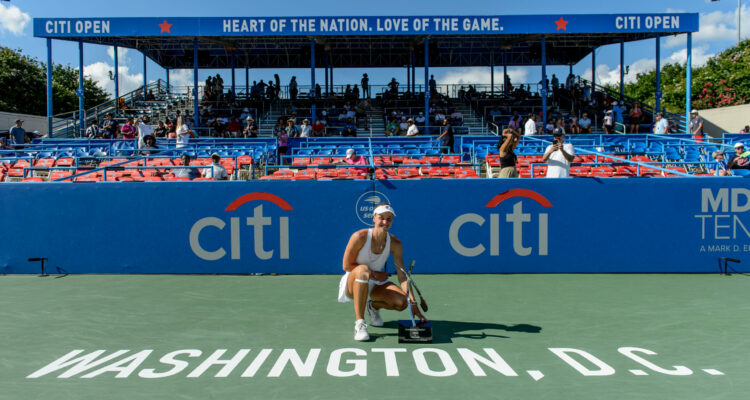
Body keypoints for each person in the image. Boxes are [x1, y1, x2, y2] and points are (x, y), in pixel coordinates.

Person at [338, 203, 426, 341]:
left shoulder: (395, 243)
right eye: (381, 218)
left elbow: (402, 275)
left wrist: (413, 302)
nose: (385, 222)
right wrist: (373, 273)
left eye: (389, 219)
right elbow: (346, 265)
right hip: (354, 282)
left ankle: (372, 306)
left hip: (376, 284)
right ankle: (360, 324)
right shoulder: (359, 237)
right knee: (363, 270)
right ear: (374, 218)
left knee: (402, 302)